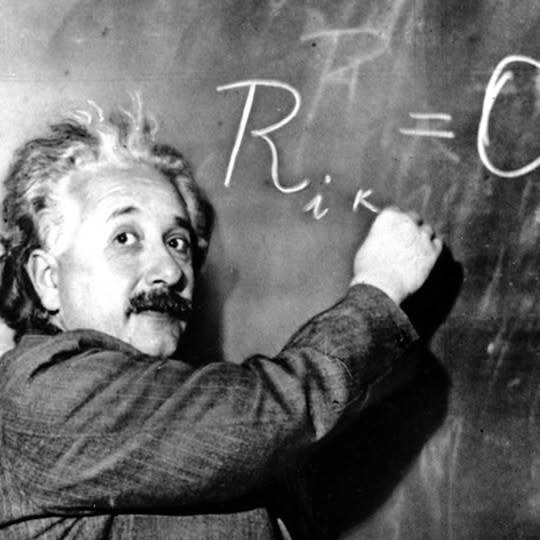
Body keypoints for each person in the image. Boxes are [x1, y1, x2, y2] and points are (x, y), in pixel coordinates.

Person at [0, 100, 442, 539]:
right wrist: (379, 289)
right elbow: (268, 415)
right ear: (48, 279)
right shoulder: (42, 392)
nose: (171, 270)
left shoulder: (166, 408)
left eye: (177, 242)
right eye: (125, 238)